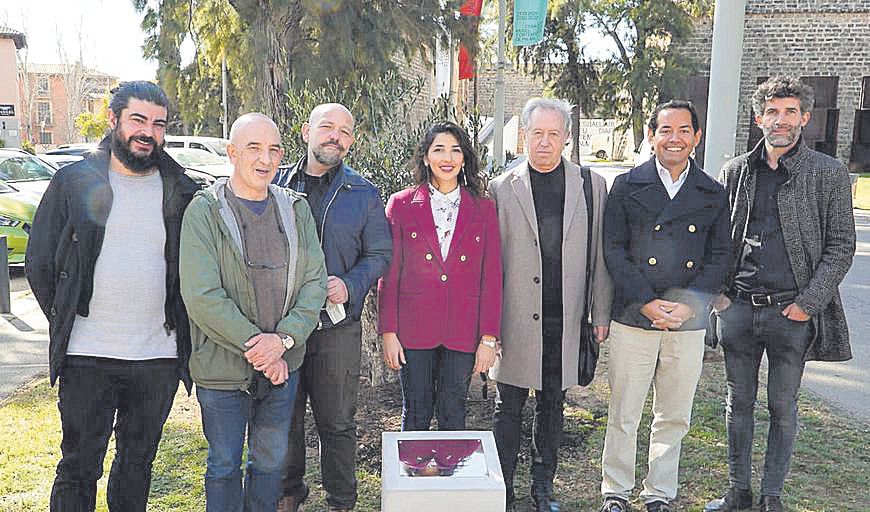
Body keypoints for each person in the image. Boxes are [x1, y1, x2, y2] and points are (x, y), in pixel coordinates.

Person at [24, 81, 199, 512]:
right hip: (87, 355)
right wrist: (69, 317)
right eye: (138, 120)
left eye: (158, 124)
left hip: (156, 358)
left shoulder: (181, 189)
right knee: (79, 468)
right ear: (114, 120)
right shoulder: (73, 181)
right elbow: (40, 263)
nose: (148, 132)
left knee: (137, 466)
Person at [704, 76, 855, 512]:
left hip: (792, 313)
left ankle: (772, 497)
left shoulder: (828, 173)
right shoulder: (735, 172)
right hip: (739, 309)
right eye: (772, 111)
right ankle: (739, 491)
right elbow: (716, 240)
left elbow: (842, 244)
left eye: (791, 112)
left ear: (805, 118)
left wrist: (808, 303)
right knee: (738, 404)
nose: (781, 120)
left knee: (783, 408)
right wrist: (718, 296)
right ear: (759, 118)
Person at [179, 113, 327, 511]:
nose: (266, 158)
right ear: (231, 153)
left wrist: (282, 341)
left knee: (269, 465)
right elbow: (202, 294)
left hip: (283, 366)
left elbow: (315, 283)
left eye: (274, 149)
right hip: (222, 371)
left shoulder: (295, 208)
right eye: (253, 148)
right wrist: (260, 349)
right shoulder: (204, 211)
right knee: (224, 465)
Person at [599, 100, 730, 512]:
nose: (674, 138)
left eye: (684, 130)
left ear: (696, 137)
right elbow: (613, 250)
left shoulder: (712, 191)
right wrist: (646, 301)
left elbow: (721, 256)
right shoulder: (626, 185)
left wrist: (690, 306)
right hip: (635, 316)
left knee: (674, 415)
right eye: (665, 130)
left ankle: (659, 493)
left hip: (687, 323)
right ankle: (616, 490)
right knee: (625, 411)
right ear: (651, 136)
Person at [488, 98, 612, 512]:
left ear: (566, 138)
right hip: (516, 318)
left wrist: (600, 311)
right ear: (523, 135)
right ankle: (502, 489)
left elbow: (600, 254)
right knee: (508, 407)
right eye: (536, 133)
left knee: (553, 405)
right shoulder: (501, 188)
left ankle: (543, 488)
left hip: (567, 315)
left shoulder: (592, 185)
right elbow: (492, 261)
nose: (544, 142)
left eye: (553, 134)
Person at [273, 103, 392, 512]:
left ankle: (341, 499)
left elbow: (379, 253)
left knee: (337, 422)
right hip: (282, 325)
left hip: (336, 327)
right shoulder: (273, 185)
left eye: (344, 131)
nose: (334, 136)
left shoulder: (362, 192)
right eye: (327, 127)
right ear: (306, 131)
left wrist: (351, 283)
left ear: (351, 141)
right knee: (283, 414)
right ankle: (289, 492)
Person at [378, 121, 502, 432]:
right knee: (416, 412)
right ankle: (412, 479)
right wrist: (388, 332)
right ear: (425, 157)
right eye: (439, 150)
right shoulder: (401, 204)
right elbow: (389, 274)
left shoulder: (483, 208)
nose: (447, 158)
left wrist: (488, 338)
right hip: (413, 329)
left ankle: (450, 479)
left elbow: (492, 277)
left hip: (463, 330)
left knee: (453, 411)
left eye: (455, 150)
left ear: (465, 159)